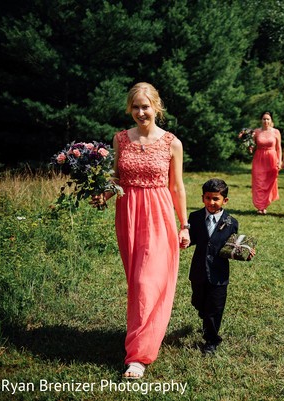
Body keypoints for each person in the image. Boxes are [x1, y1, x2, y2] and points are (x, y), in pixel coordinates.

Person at [92, 82, 190, 379]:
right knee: (137, 282)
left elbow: (177, 186)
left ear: (156, 107)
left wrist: (184, 225)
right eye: (135, 107)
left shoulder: (172, 142)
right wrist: (104, 194)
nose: (140, 112)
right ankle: (145, 334)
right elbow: (117, 177)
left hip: (159, 215)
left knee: (148, 281)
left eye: (145, 106)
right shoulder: (120, 139)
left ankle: (138, 356)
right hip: (129, 216)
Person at [187, 178, 253, 354]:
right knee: (199, 302)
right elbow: (191, 239)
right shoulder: (194, 217)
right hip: (198, 270)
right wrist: (182, 240)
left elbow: (231, 247)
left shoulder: (231, 222)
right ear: (203, 198)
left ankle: (211, 341)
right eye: (208, 198)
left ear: (225, 200)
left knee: (214, 309)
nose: (211, 202)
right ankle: (203, 311)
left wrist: (244, 253)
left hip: (219, 273)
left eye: (216, 199)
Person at [251, 111, 282, 215]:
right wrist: (248, 146)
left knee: (269, 183)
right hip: (259, 158)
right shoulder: (256, 132)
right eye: (264, 119)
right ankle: (260, 207)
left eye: (268, 119)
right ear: (261, 120)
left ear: (271, 120)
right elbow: (252, 146)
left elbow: (279, 148)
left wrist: (280, 160)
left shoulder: (276, 132)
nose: (266, 121)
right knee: (259, 182)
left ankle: (265, 204)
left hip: (271, 158)